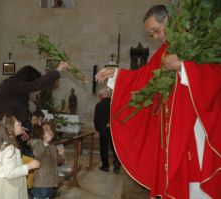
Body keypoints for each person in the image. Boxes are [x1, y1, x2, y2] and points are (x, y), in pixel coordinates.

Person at [95, 5, 221, 199]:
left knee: (196, 186)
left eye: (156, 31)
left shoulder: (197, 40)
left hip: (195, 129)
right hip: (171, 133)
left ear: (169, 21)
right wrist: (117, 74)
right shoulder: (163, 52)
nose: (154, 37)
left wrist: (183, 67)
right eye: (150, 33)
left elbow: (215, 75)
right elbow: (143, 78)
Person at [0, 62, 68, 171]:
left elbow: (13, 110)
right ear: (28, 80)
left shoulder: (17, 89)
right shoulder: (13, 84)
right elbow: (37, 85)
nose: (32, 88)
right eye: (32, 82)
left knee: (2, 169)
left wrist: (19, 127)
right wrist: (58, 70)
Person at [0, 114, 40, 199]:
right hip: (7, 188)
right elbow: (10, 173)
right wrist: (29, 166)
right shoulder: (10, 149)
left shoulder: (3, 144)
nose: (20, 122)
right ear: (10, 130)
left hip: (1, 185)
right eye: (18, 123)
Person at [31, 122, 64, 199]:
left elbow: (58, 161)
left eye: (50, 129)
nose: (50, 131)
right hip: (41, 182)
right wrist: (45, 143)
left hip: (51, 181)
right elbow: (37, 154)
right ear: (41, 134)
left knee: (47, 196)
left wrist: (61, 155)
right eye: (46, 130)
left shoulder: (52, 145)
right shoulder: (38, 144)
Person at [93, 88, 120, 174]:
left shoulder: (99, 105)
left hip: (103, 130)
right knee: (115, 148)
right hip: (114, 129)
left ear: (101, 96)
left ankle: (105, 166)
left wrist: (98, 128)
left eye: (99, 96)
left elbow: (96, 119)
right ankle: (116, 164)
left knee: (103, 148)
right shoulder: (114, 103)